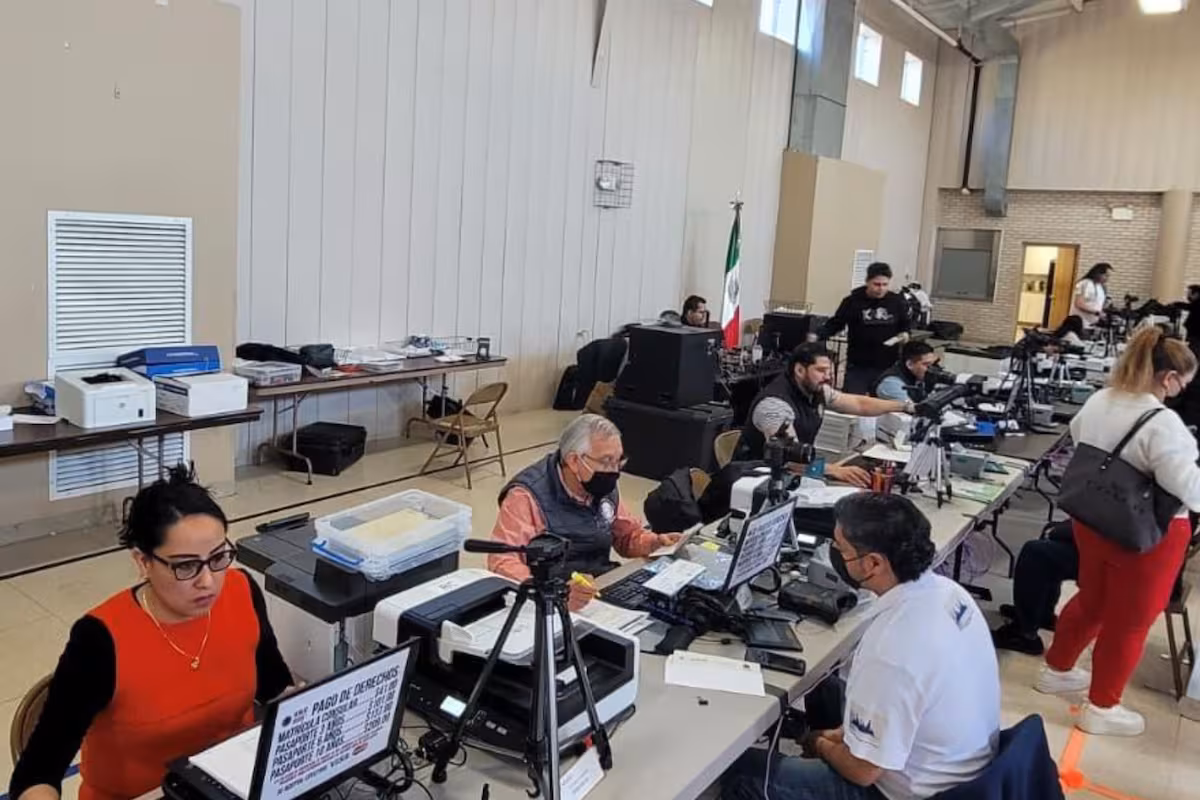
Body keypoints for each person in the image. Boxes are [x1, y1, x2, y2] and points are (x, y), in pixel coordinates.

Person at [9, 467, 292, 800]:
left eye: (218, 558)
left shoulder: (241, 591)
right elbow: (37, 773)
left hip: (232, 785)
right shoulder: (99, 640)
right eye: (186, 566)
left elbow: (275, 687)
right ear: (143, 562)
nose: (208, 582)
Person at [721, 494, 1000, 800]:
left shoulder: (893, 650)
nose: (834, 553)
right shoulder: (950, 593)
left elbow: (863, 772)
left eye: (841, 548)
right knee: (826, 688)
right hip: (964, 772)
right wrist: (843, 736)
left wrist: (819, 744)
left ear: (874, 563)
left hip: (908, 793)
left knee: (739, 770)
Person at [1035, 327, 1200, 736]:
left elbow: (1079, 436)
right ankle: (1103, 707)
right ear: (1168, 378)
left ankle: (1057, 669)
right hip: (1147, 535)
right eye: (1184, 383)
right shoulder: (1163, 423)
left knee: (1092, 599)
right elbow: (1188, 488)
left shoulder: (1101, 399)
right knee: (1131, 621)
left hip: (1093, 519)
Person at [488, 414, 682, 610]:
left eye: (618, 461)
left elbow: (627, 536)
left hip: (599, 587)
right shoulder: (526, 495)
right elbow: (502, 562)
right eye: (606, 461)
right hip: (551, 602)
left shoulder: (602, 484)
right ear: (574, 460)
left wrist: (654, 543)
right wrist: (555, 593)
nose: (614, 471)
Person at [737, 343, 911, 487]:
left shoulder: (816, 390)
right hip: (756, 482)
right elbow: (789, 460)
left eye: (829, 371)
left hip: (792, 476)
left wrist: (906, 406)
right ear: (799, 370)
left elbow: (859, 404)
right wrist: (833, 470)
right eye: (821, 371)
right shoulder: (775, 406)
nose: (827, 377)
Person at [815, 263, 912, 394]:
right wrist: (818, 335)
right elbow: (836, 323)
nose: (881, 289)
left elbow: (905, 323)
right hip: (858, 364)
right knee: (852, 400)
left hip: (887, 365)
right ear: (867, 281)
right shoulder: (852, 301)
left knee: (883, 401)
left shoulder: (896, 302)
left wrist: (905, 333)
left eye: (885, 285)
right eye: (876, 284)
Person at [991, 521, 1079, 656]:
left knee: (1035, 552)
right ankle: (1042, 614)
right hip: (1104, 542)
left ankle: (1025, 634)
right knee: (1049, 532)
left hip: (1107, 553)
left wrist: (1063, 531)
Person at [870, 341, 941, 403]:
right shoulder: (891, 384)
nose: (931, 369)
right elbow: (913, 410)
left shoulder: (917, 375)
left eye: (933, 364)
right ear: (910, 364)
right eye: (926, 364)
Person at [1072, 262, 1112, 329]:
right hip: (1080, 323)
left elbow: (1098, 305)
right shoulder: (1084, 283)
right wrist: (1096, 312)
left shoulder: (1101, 287)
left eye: (1109, 276)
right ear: (1098, 273)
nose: (1107, 278)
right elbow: (1079, 304)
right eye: (1106, 275)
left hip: (1092, 324)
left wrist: (1105, 305)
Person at [1183, 284, 1200, 349]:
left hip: (1195, 335)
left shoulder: (1197, 304)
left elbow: (1190, 306)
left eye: (1189, 293)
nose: (1188, 296)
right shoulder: (1195, 304)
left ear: (1196, 294)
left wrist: (1176, 304)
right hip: (1193, 334)